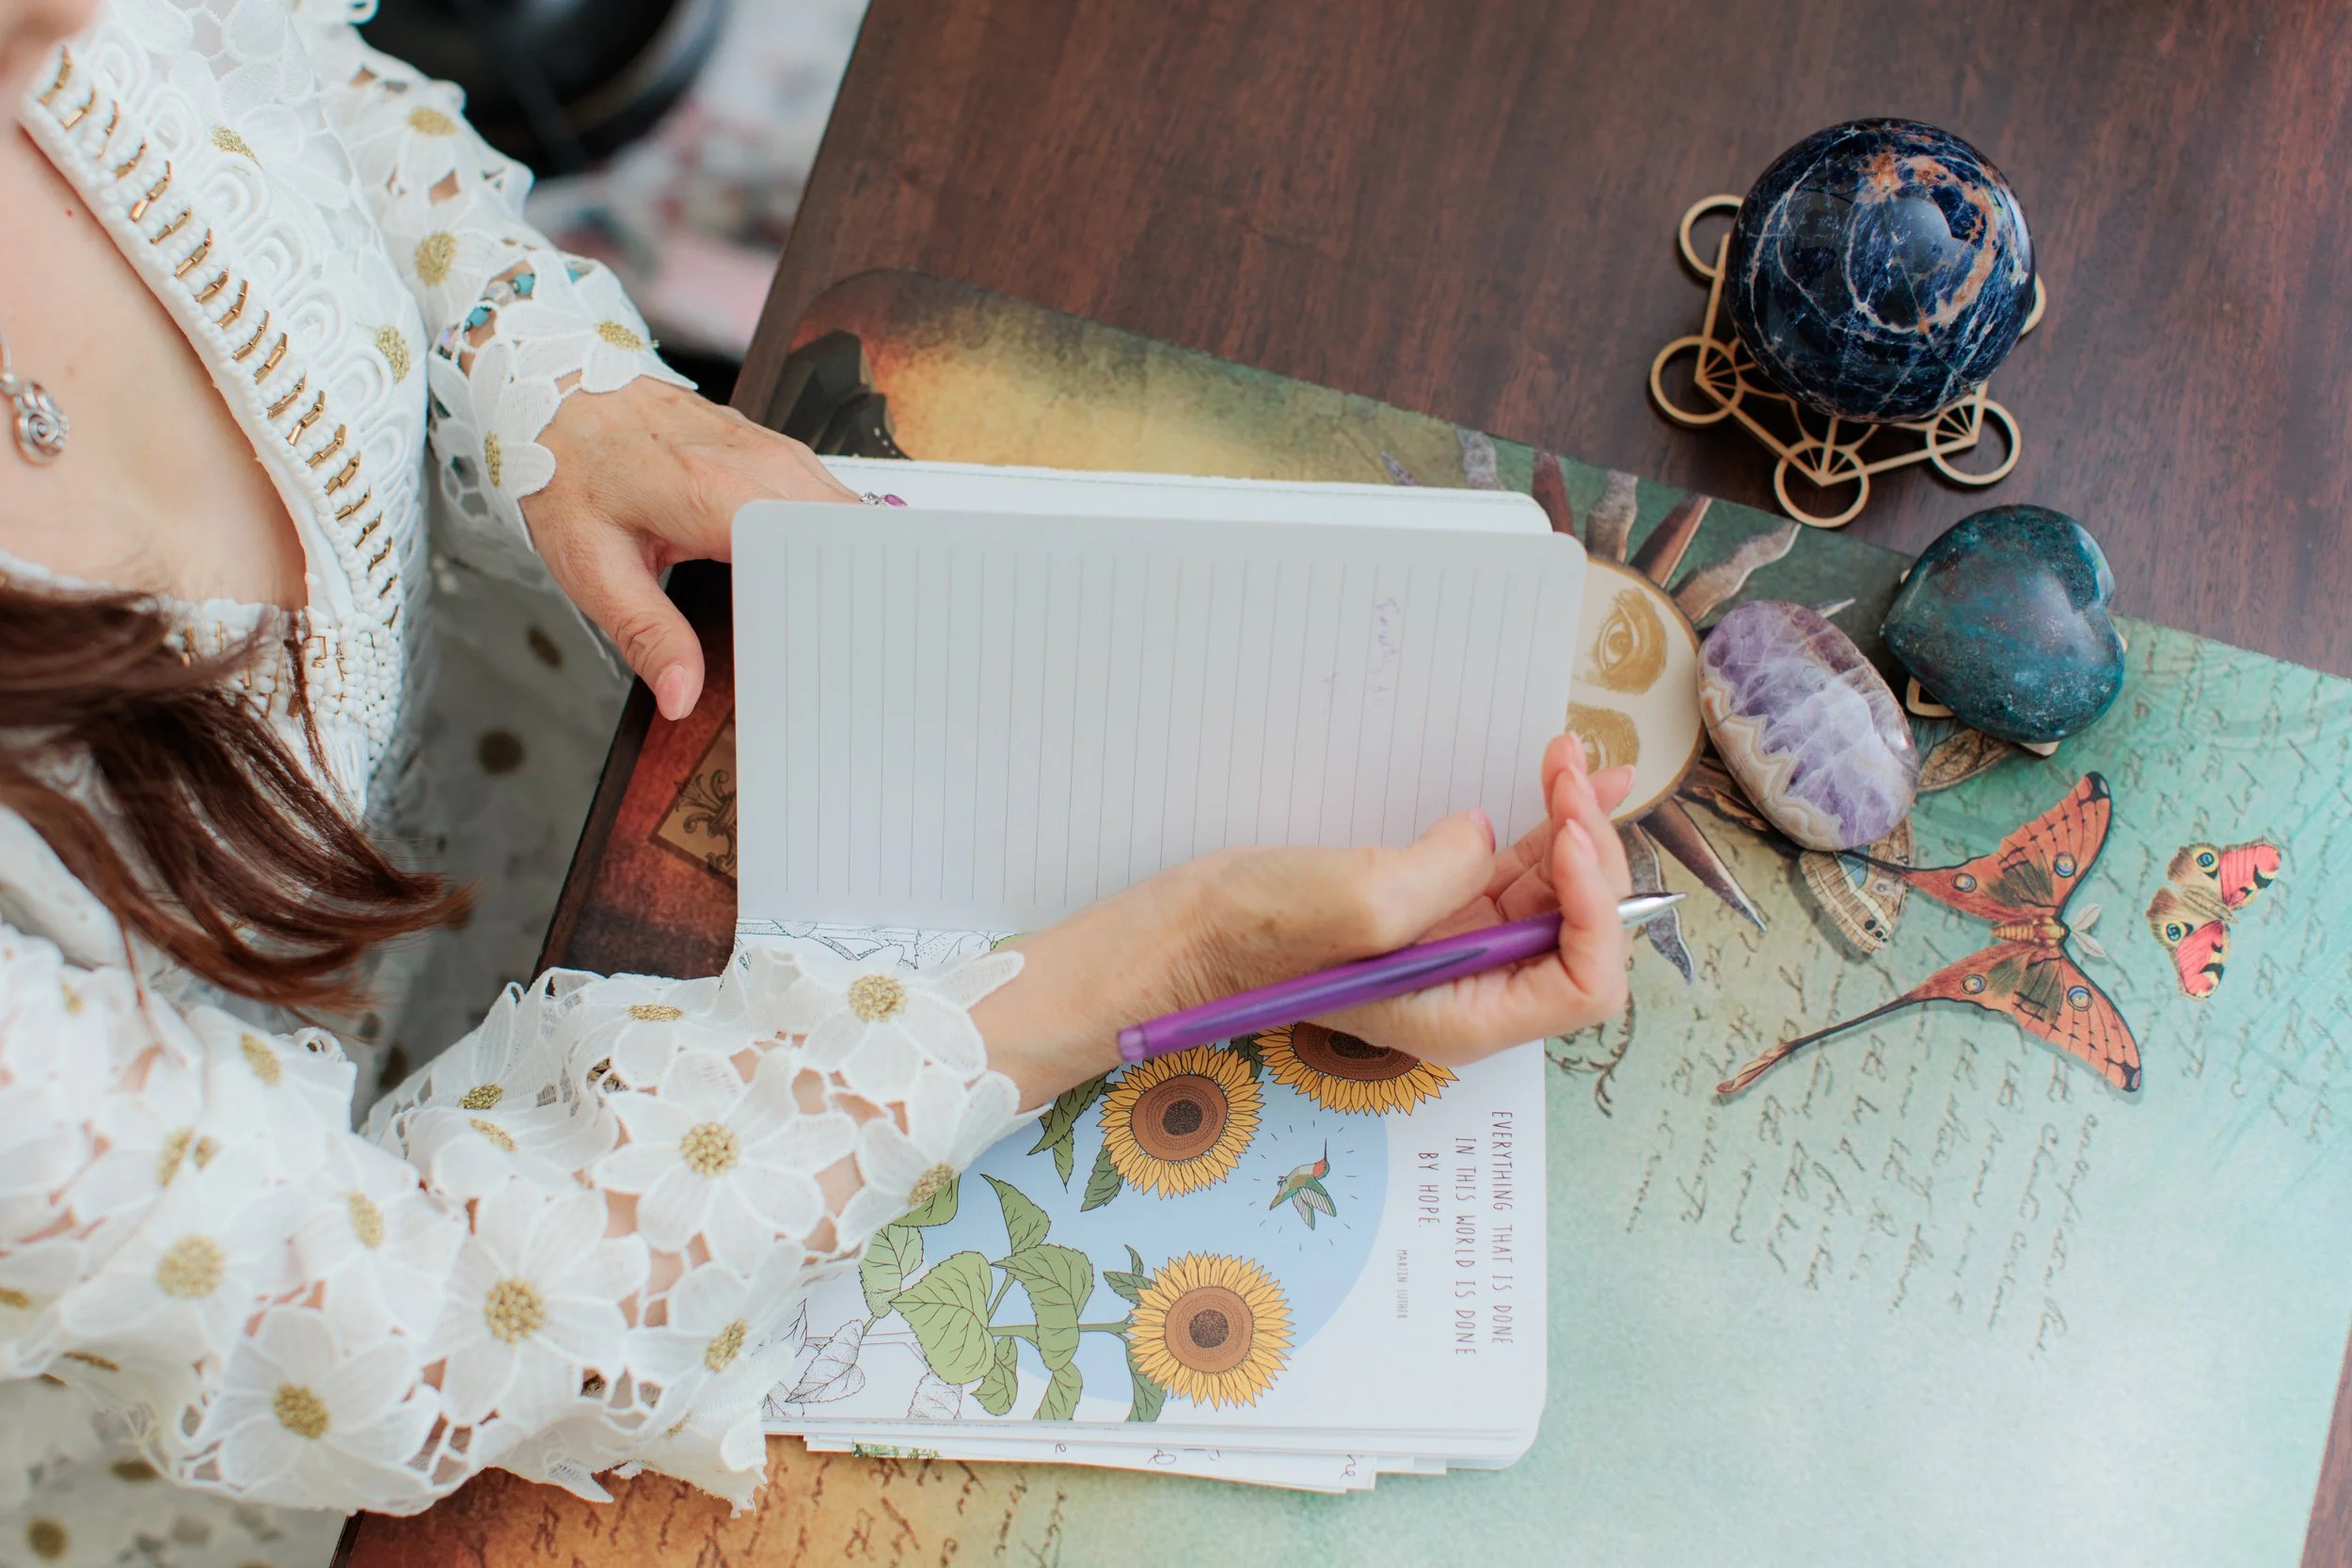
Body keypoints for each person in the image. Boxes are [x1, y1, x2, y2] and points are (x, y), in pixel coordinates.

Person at [0, 0, 1636, 1560]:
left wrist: (545, 377)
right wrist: (1169, 959)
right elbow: (403, 1320)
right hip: (308, 1381)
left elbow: (302, 85)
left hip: (576, 789)